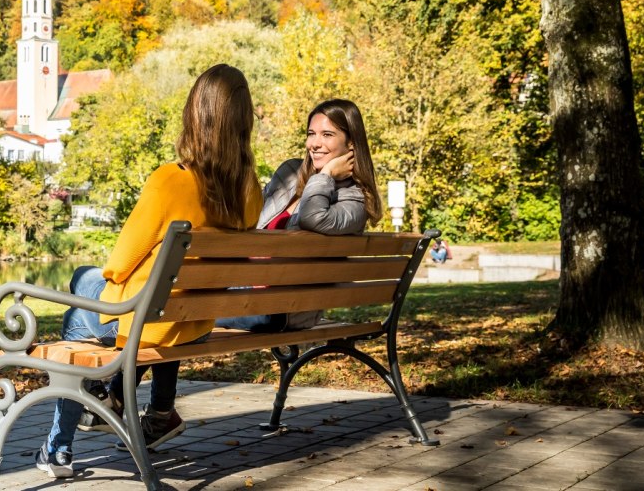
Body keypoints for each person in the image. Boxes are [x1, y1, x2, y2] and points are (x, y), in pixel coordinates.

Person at [35, 64, 263, 479]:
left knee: (83, 290)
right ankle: (151, 408)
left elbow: (118, 264)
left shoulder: (170, 181)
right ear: (243, 121)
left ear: (195, 115)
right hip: (194, 321)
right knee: (156, 296)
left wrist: (120, 275)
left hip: (150, 319)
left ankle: (61, 446)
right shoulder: (250, 190)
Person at [216, 98, 383, 333]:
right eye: (311, 133)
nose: (314, 143)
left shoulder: (355, 200)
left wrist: (325, 175)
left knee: (176, 314)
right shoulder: (290, 173)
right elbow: (249, 221)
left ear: (352, 143)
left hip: (283, 309)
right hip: (240, 288)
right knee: (172, 305)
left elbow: (312, 217)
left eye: (327, 135)